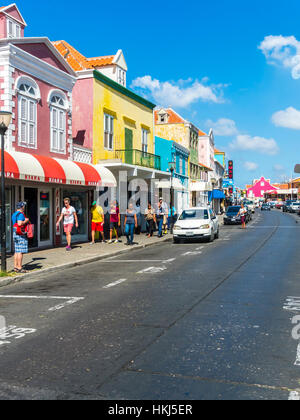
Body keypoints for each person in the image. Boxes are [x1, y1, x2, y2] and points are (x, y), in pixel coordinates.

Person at [12, 202, 29, 273]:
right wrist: (26, 220)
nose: (24, 207)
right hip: (20, 234)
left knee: (16, 251)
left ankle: (15, 267)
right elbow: (19, 223)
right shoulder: (21, 214)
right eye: (24, 206)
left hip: (15, 233)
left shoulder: (14, 214)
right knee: (20, 251)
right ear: (22, 207)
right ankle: (19, 267)